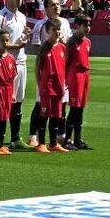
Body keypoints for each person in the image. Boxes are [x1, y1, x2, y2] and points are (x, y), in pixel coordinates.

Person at [28, 0, 71, 148]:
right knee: (40, 105)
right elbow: (36, 48)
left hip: (60, 70)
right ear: (45, 9)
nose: (56, 7)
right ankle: (34, 135)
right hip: (47, 73)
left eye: (58, 4)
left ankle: (58, 136)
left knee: (61, 104)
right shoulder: (40, 25)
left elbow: (67, 44)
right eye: (52, 5)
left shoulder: (65, 23)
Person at [0, 0, 30, 148]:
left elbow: (19, 39)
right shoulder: (0, 18)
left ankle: (15, 138)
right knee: (3, 102)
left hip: (20, 62)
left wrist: (25, 37)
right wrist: (17, 46)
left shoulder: (21, 16)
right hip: (5, 65)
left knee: (18, 101)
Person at [35, 19, 68, 153]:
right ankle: (41, 143)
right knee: (44, 114)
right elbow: (37, 68)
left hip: (59, 87)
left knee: (56, 116)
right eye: (54, 30)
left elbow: (64, 66)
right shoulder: (44, 48)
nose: (57, 32)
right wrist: (40, 84)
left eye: (58, 29)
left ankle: (53, 143)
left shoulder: (62, 47)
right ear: (47, 31)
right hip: (47, 87)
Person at [65, 14, 93, 151]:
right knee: (74, 109)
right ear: (77, 26)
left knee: (81, 108)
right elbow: (66, 62)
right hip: (74, 75)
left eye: (89, 25)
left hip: (85, 75)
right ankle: (67, 140)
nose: (88, 28)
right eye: (85, 25)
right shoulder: (71, 42)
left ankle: (77, 139)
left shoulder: (88, 42)